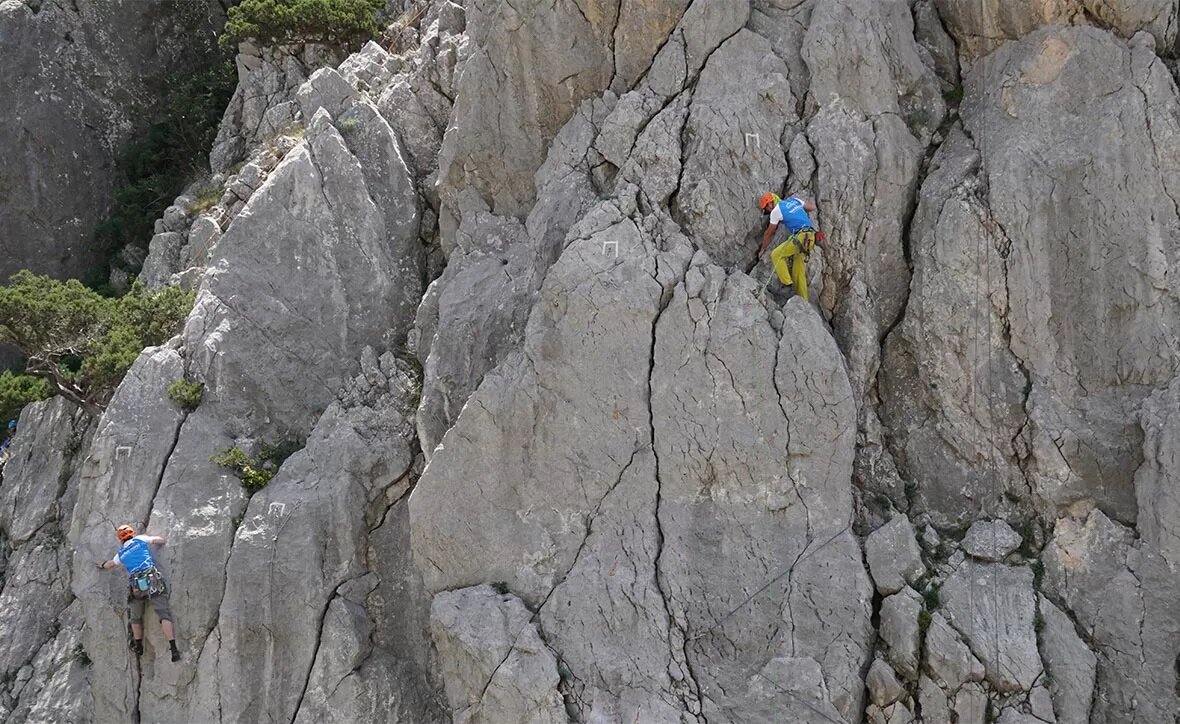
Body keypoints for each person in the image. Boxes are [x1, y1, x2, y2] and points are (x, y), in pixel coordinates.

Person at [96, 525, 181, 662]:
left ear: (120, 539)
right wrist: (162, 538)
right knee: (163, 614)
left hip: (136, 586)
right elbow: (159, 540)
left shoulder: (121, 553)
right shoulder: (140, 540)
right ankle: (174, 649)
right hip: (152, 580)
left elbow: (110, 564)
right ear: (132, 533)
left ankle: (139, 646)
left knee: (135, 617)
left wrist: (102, 564)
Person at [758, 192, 823, 302]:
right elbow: (812, 207)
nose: (768, 212)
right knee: (798, 272)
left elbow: (769, 233)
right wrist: (797, 213)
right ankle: (804, 301)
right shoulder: (794, 201)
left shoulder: (776, 211)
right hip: (810, 237)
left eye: (767, 209)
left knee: (776, 254)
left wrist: (763, 249)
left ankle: (787, 283)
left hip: (801, 237)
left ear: (769, 204)